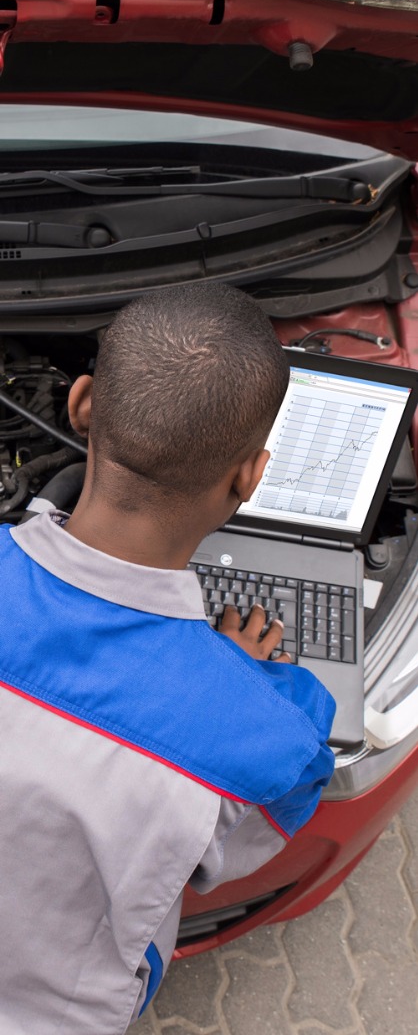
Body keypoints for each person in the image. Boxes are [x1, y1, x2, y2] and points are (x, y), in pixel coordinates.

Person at [0, 283, 335, 1035]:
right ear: (250, 476)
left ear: (81, 404)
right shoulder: (264, 730)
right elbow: (241, 846)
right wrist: (229, 675)